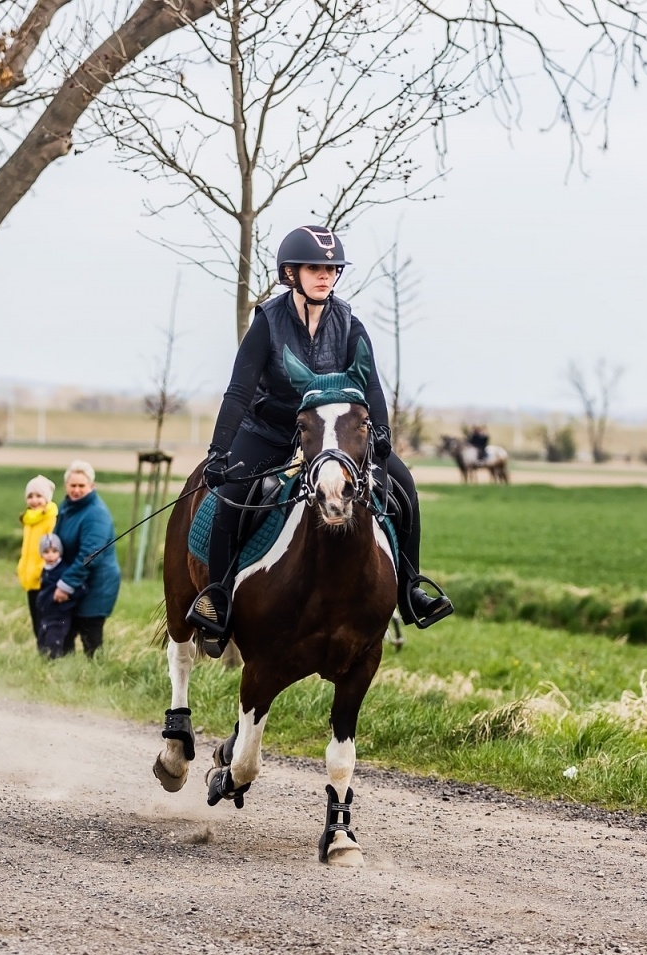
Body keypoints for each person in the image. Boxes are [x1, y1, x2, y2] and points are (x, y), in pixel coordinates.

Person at [186, 225, 452, 646]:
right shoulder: (268, 323)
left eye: (332, 268)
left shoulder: (349, 323)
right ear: (291, 273)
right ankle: (218, 597)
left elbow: (373, 388)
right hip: (271, 430)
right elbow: (238, 391)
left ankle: (411, 589)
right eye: (315, 268)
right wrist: (219, 451)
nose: (326, 275)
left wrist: (380, 434)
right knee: (230, 499)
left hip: (337, 437)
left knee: (403, 485)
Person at [52, 461, 120, 658]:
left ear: (92, 486)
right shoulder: (67, 507)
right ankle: (66, 673)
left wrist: (66, 584)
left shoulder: (96, 514)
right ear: (66, 486)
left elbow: (90, 556)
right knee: (65, 634)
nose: (76, 490)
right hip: (77, 582)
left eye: (82, 486)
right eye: (73, 485)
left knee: (91, 640)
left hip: (97, 585)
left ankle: (96, 676)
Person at [16, 474, 58, 652]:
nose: (34, 500)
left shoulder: (50, 518)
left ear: (47, 498)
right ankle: (42, 652)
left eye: (39, 496)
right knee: (35, 620)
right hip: (29, 578)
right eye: (30, 496)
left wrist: (43, 569)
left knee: (45, 619)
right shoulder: (28, 519)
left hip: (43, 577)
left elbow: (52, 548)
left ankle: (50, 653)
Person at [35, 534, 74, 658]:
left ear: (60, 552)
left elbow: (77, 590)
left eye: (54, 551)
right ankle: (43, 667)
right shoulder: (46, 570)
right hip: (46, 615)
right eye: (46, 551)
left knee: (54, 644)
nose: (50, 555)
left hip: (59, 616)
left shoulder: (64, 571)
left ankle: (54, 670)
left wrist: (63, 600)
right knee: (42, 643)